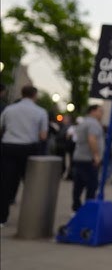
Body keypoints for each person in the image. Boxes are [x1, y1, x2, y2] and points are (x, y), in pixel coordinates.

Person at [0, 85, 48, 226]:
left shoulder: (9, 109)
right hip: (29, 148)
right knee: (32, 184)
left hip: (8, 147)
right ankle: (32, 218)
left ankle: (2, 217)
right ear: (35, 95)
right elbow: (43, 135)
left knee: (5, 183)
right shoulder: (40, 111)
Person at [71, 104, 104, 212]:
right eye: (100, 111)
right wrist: (96, 156)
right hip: (89, 159)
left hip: (79, 157)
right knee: (91, 186)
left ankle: (76, 207)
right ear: (93, 111)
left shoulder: (83, 122)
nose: (102, 114)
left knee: (78, 186)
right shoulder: (93, 124)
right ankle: (87, 210)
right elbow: (92, 139)